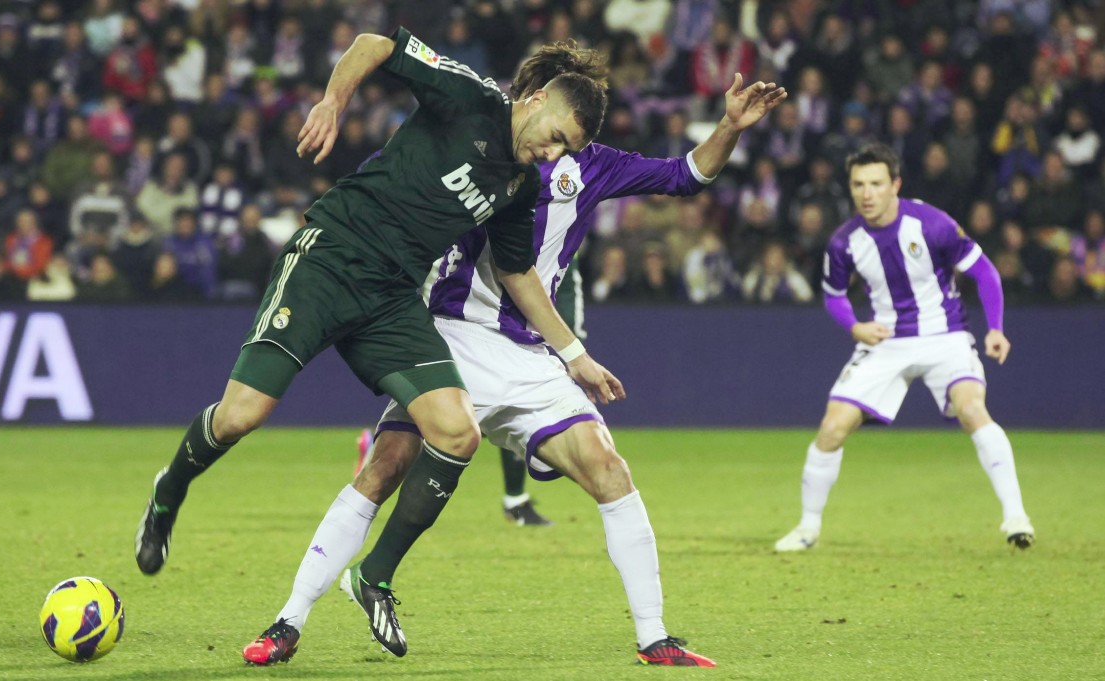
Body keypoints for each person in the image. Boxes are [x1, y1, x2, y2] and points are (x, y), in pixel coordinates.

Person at [241, 42, 785, 667]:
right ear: (533, 99)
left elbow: (685, 175)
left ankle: (653, 636)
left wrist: (730, 127)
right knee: (386, 466)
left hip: (530, 354)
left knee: (609, 470)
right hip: (453, 335)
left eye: (569, 139)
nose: (556, 149)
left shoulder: (593, 165)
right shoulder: (481, 140)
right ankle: (288, 621)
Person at [134, 26, 613, 593]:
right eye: (555, 137)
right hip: (330, 260)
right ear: (536, 100)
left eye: (565, 151)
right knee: (241, 416)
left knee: (457, 431)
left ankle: (373, 579)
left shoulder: (519, 185)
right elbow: (375, 44)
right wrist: (332, 104)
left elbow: (518, 274)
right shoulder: (470, 98)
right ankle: (169, 491)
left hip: (391, 297)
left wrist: (574, 354)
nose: (553, 154)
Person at [774, 142, 1034, 553]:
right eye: (858, 184)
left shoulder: (933, 224)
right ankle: (808, 528)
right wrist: (855, 326)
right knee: (832, 428)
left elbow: (985, 272)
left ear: (895, 184)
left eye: (876, 183)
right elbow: (834, 296)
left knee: (971, 409)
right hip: (887, 341)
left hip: (944, 336)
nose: (867, 193)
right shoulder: (844, 242)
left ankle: (1016, 516)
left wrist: (996, 329)